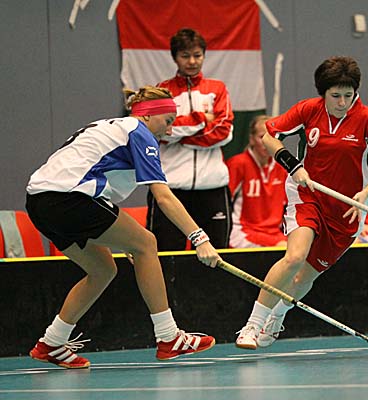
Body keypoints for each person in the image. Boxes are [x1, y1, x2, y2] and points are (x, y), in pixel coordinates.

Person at [25, 86, 221, 369]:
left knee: (103, 269)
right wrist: (200, 238)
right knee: (147, 243)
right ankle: (169, 337)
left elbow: (97, 188)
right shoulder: (140, 133)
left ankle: (52, 342)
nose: (170, 130)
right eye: (167, 121)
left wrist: (126, 242)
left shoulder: (112, 127)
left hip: (39, 203)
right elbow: (163, 197)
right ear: (147, 115)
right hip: (68, 198)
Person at [234, 56, 368, 349]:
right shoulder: (308, 110)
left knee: (304, 278)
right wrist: (293, 165)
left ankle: (277, 316)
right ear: (323, 93)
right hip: (307, 194)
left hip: (348, 209)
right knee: (294, 257)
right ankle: (252, 326)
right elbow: (269, 136)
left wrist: (366, 192)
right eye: (335, 95)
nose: (342, 102)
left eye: (348, 95)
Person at [148, 28, 234, 250]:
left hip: (212, 186)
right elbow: (160, 131)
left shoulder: (217, 88)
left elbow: (223, 131)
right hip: (171, 188)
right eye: (185, 56)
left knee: (217, 254)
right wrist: (201, 118)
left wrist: (181, 137)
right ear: (175, 57)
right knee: (166, 254)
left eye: (197, 55)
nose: (192, 61)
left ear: (204, 55)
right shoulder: (162, 90)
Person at [226, 115, 288, 248]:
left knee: (301, 248)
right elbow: (223, 205)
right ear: (251, 139)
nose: (267, 142)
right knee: (284, 248)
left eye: (273, 137)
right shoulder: (237, 164)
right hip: (243, 231)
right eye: (262, 137)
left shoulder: (282, 168)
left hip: (275, 233)